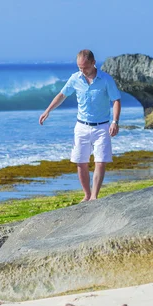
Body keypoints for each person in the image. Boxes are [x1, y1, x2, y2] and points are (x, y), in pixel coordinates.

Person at [39, 49, 121, 201]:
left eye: (85, 67)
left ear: (93, 63)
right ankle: (87, 194)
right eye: (79, 67)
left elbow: (116, 100)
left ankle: (94, 196)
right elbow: (62, 94)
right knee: (80, 161)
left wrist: (115, 121)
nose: (82, 71)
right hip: (81, 126)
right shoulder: (75, 78)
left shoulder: (106, 79)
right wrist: (48, 110)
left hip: (102, 127)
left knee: (100, 161)